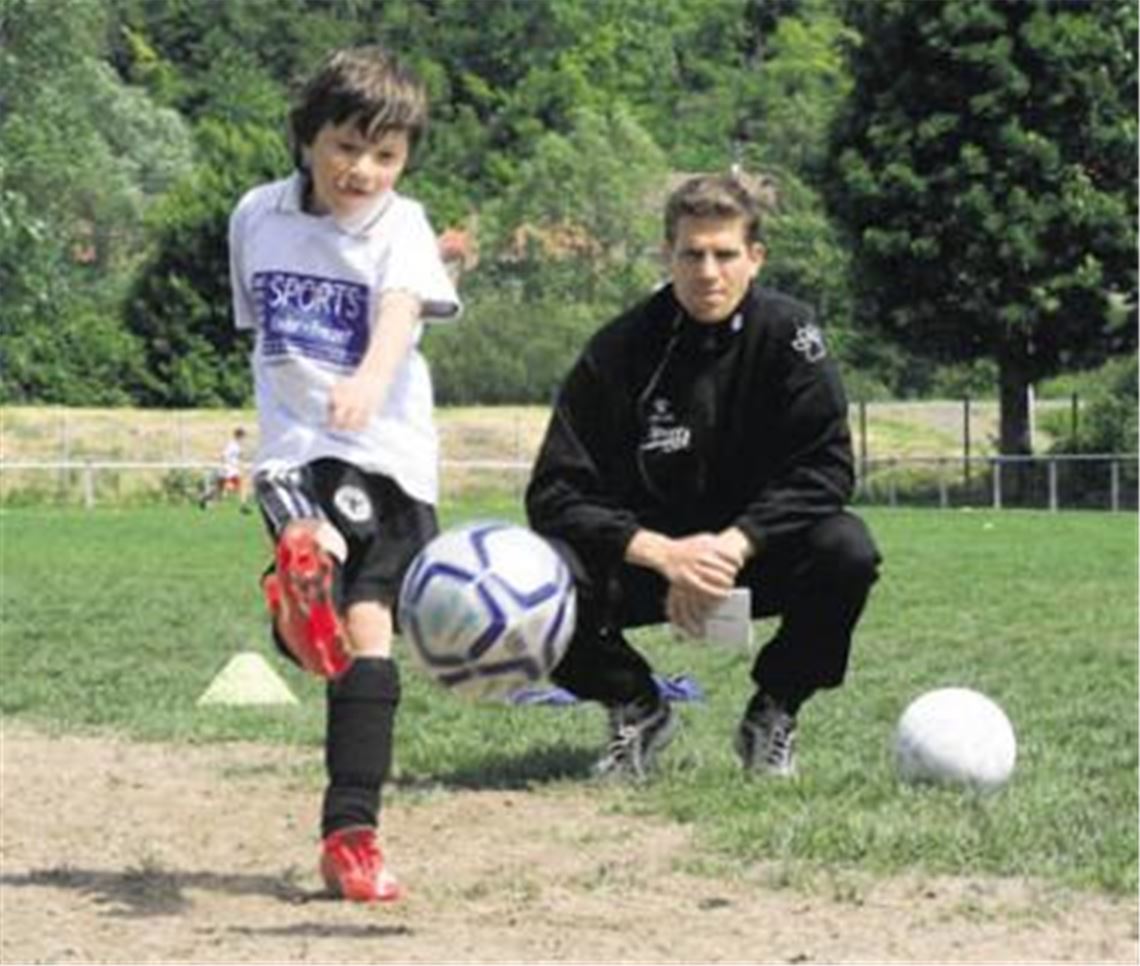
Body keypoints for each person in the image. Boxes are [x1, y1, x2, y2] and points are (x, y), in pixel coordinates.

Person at [525, 174, 880, 781]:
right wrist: (660, 553)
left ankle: (774, 710)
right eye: (692, 254)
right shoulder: (619, 348)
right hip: (648, 565)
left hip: (752, 555)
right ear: (668, 256)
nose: (708, 272)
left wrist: (733, 543)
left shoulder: (793, 337)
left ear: (755, 258)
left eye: (725, 254)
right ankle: (635, 704)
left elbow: (828, 467)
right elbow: (553, 492)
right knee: (529, 582)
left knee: (846, 550)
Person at [229, 46, 460, 902]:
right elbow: (259, 332)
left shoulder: (403, 222)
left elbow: (401, 309)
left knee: (365, 637)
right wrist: (331, 394)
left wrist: (368, 377)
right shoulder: (256, 216)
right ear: (307, 137)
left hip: (393, 455)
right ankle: (352, 838)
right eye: (346, 147)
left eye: (385, 155)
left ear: (404, 161)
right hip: (298, 448)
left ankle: (300, 598)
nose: (363, 170)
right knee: (323, 556)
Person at [199, 427, 249, 511]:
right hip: (228, 470)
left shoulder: (236, 445)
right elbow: (224, 456)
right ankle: (243, 505)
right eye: (243, 437)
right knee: (236, 486)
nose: (244, 439)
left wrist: (240, 465)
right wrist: (228, 466)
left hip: (230, 470)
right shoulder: (232, 445)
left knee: (221, 489)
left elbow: (238, 457)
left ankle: (205, 497)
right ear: (239, 436)